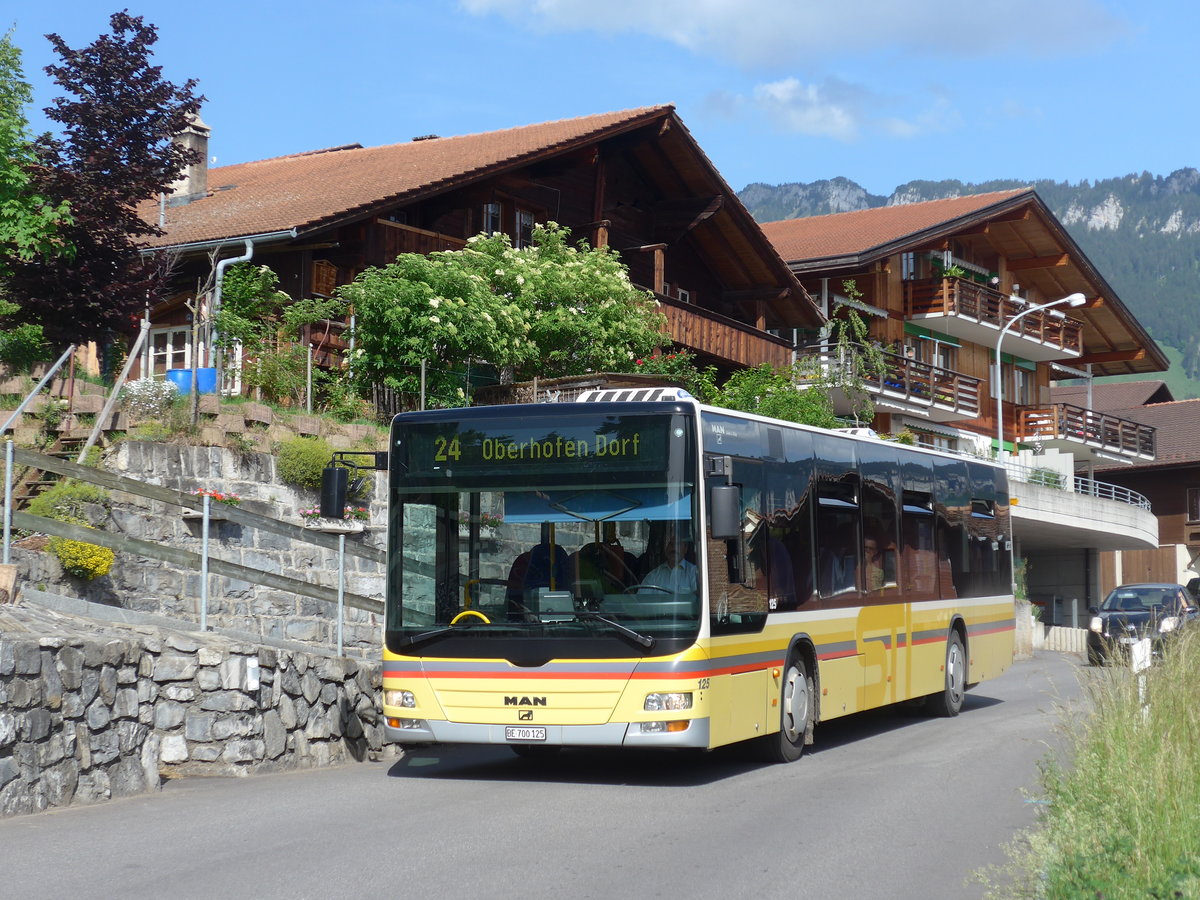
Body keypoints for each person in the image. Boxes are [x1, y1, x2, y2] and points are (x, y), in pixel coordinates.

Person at [638, 529, 697, 595]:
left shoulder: (694, 573)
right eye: (670, 544)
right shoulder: (654, 575)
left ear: (685, 549)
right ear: (665, 548)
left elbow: (699, 600)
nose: (673, 548)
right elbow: (641, 600)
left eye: (678, 544)